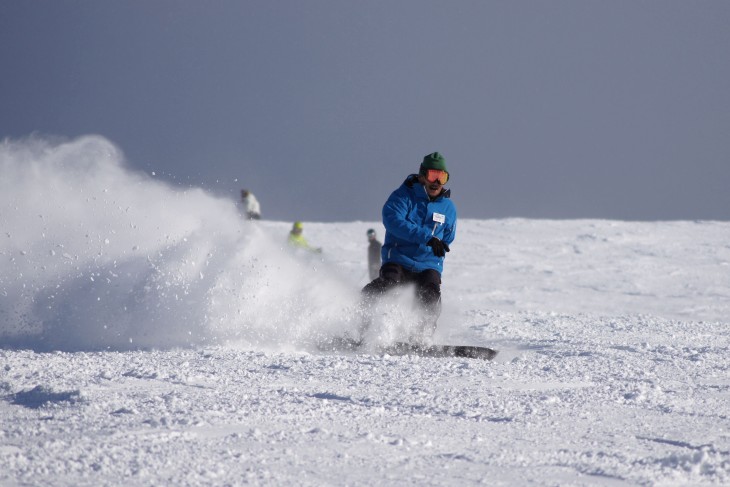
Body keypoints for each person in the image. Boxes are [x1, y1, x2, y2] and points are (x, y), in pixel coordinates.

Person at [359, 152, 456, 343]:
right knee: (388, 285)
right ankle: (364, 330)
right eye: (432, 176)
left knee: (431, 296)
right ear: (421, 176)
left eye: (442, 177)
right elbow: (393, 221)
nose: (436, 182)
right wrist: (427, 237)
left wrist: (439, 244)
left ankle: (421, 338)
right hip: (399, 258)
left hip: (428, 264)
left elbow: (449, 236)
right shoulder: (403, 196)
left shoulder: (448, 207)